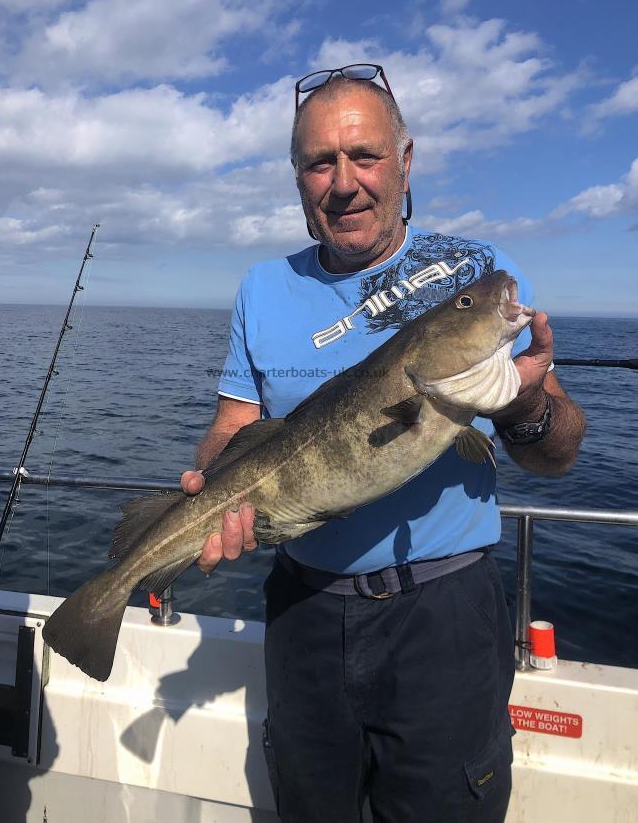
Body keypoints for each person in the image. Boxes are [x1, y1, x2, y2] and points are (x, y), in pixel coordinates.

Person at [181, 66, 586, 823]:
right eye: (319, 162)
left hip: (443, 615)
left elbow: (553, 453)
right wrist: (210, 485)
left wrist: (525, 399)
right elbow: (235, 427)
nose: (343, 183)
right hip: (302, 605)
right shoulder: (261, 286)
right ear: (297, 179)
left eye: (363, 156)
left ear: (405, 161)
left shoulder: (474, 276)